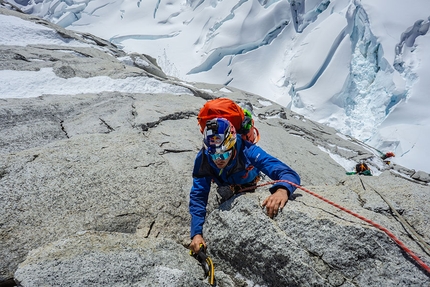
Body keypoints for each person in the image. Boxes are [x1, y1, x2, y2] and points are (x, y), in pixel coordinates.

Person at [189, 117, 300, 253]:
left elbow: (288, 173)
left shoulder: (249, 151)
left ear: (232, 145)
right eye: (214, 155)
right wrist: (196, 233)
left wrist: (282, 190)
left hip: (248, 184)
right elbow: (199, 196)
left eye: (223, 155)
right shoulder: (204, 158)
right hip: (227, 185)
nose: (218, 160)